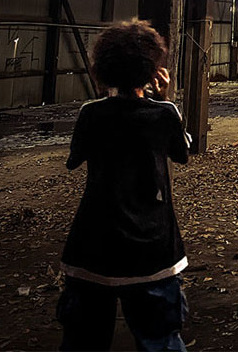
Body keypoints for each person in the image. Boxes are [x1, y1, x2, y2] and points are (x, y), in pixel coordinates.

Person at [56, 20, 192, 351]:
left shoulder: (91, 114)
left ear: (104, 68)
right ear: (151, 69)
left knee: (83, 341)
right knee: (160, 339)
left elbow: (74, 160)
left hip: (93, 244)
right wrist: (162, 97)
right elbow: (182, 153)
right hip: (152, 246)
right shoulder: (164, 114)